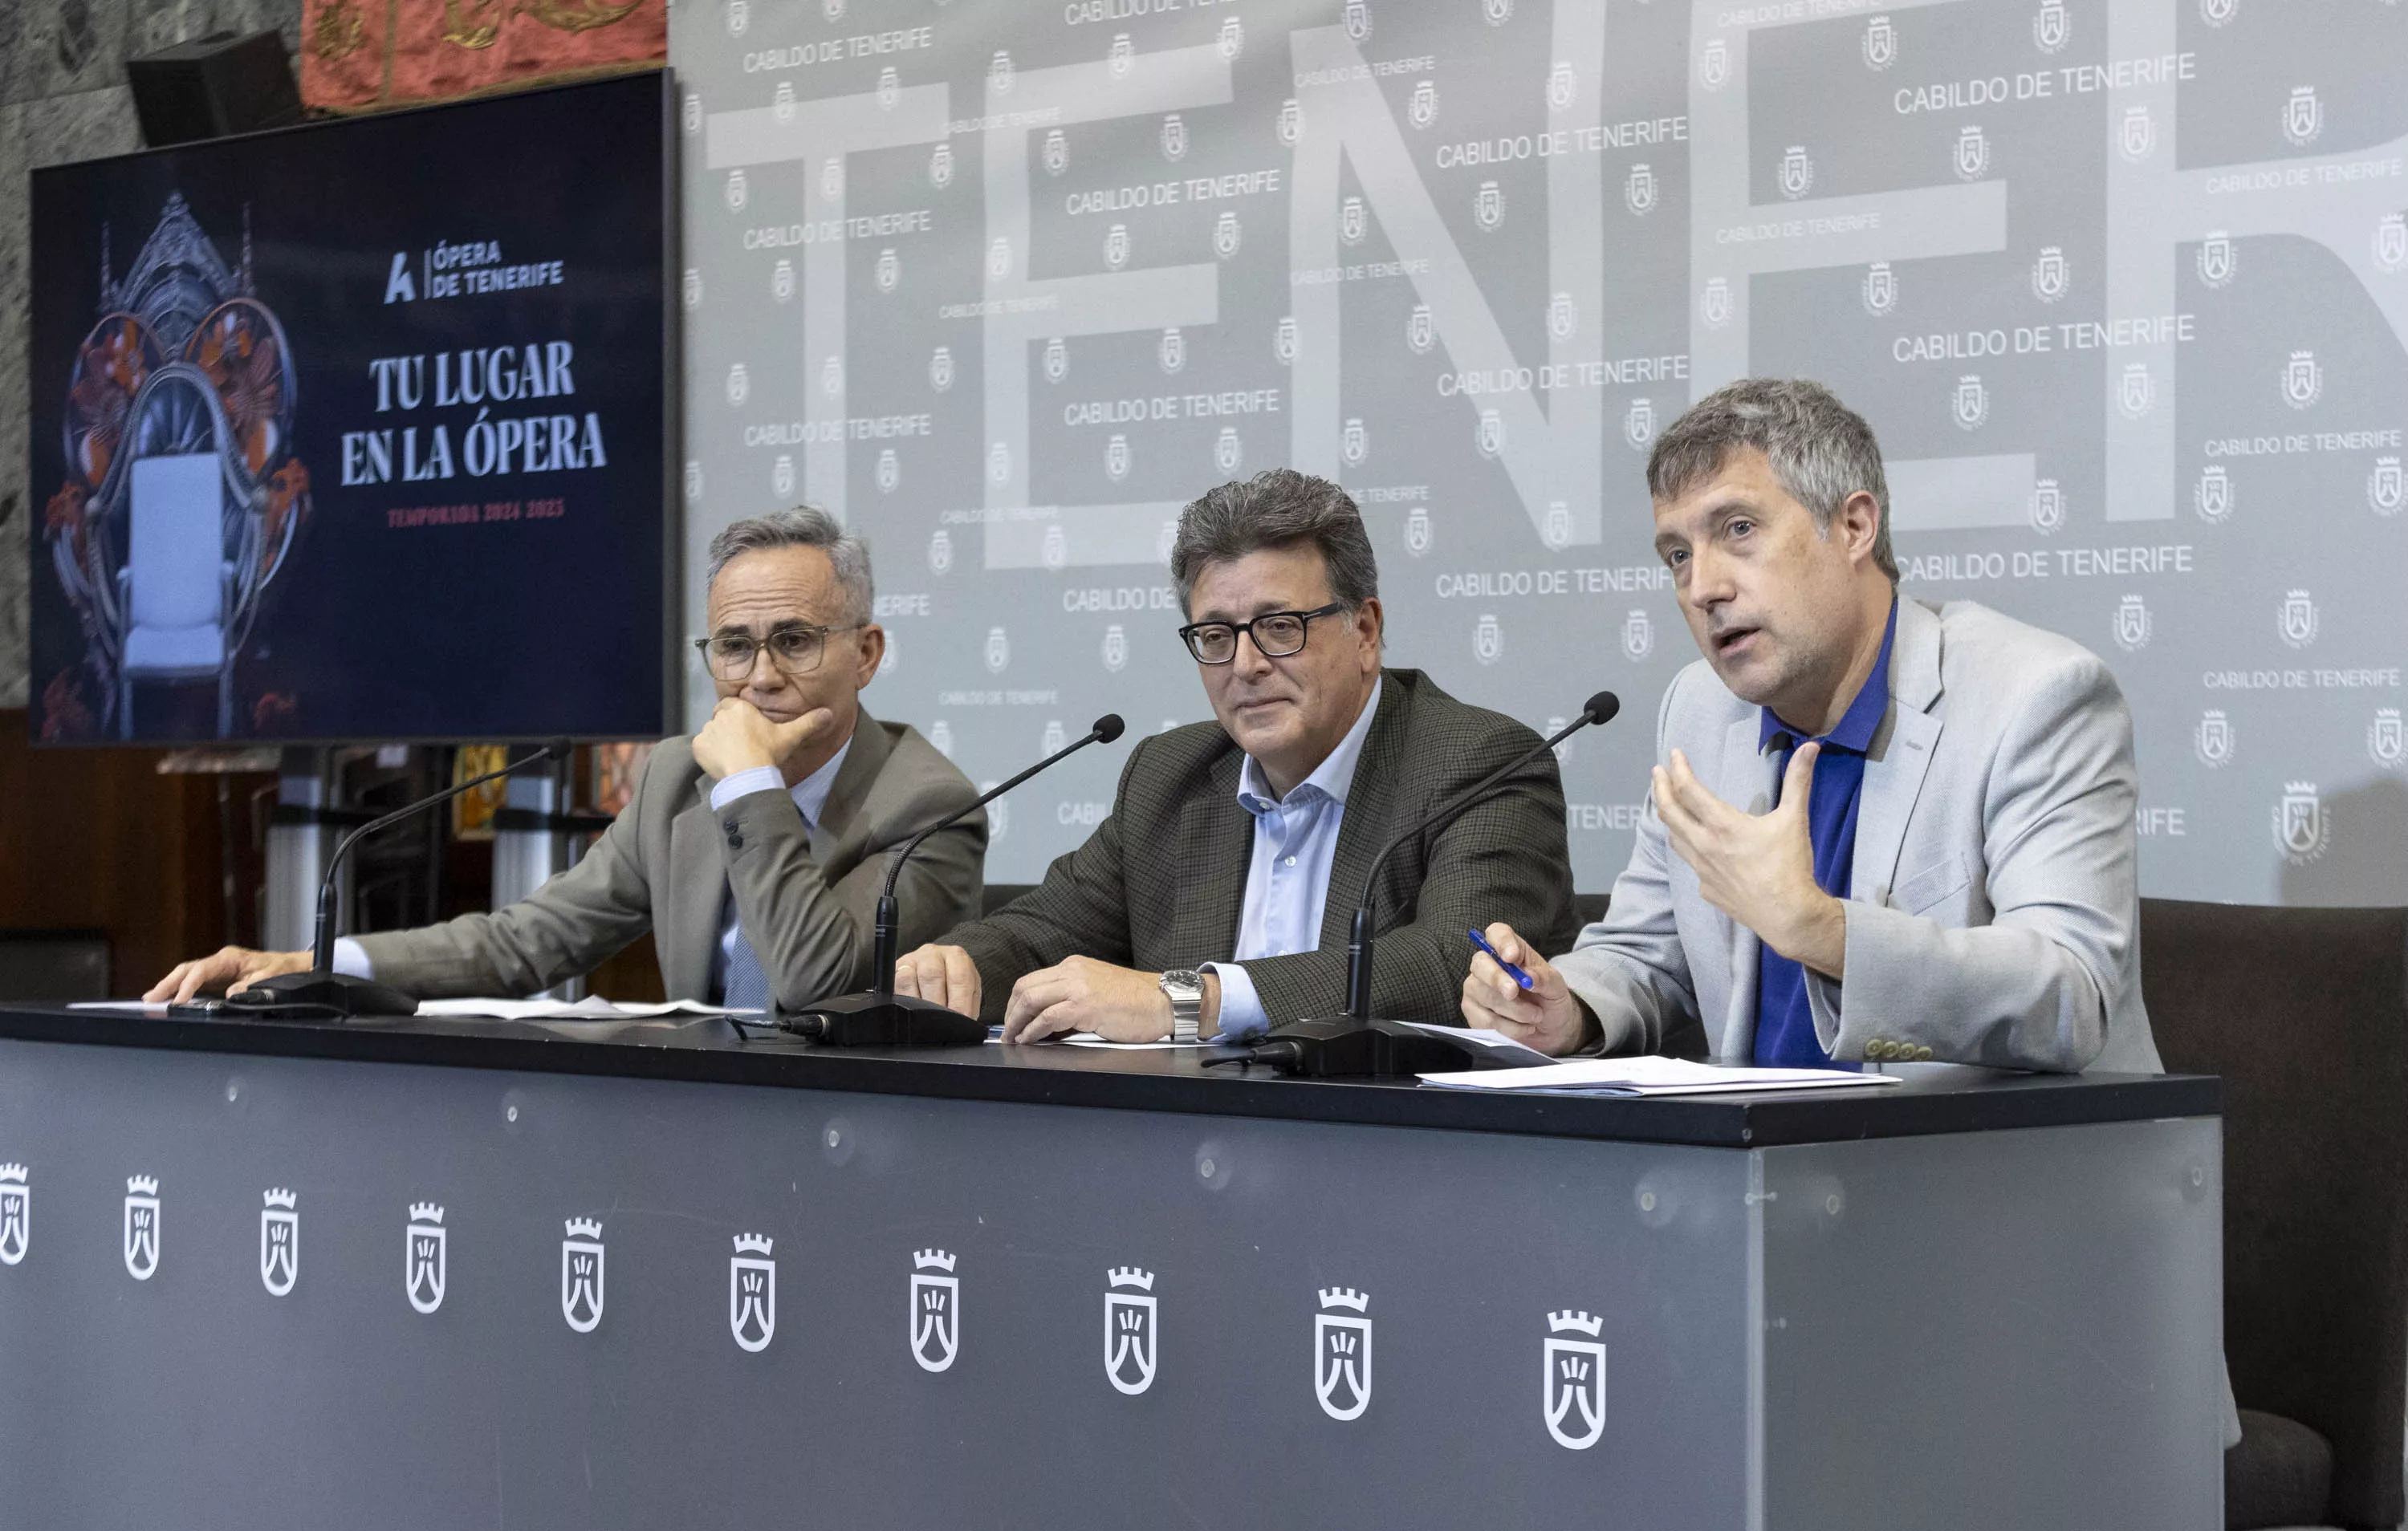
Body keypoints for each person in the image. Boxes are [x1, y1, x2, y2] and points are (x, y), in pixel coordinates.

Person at [1462, 378, 2162, 1074]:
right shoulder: (1701, 710)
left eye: (1739, 530)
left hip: (2001, 1171)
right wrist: (1571, 1006)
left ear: (1855, 527)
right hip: (1773, 1169)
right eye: (1678, 555)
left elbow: (2073, 996)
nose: (1703, 586)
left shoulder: (2033, 697)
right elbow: (1650, 953)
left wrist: (1824, 933)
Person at [148, 506, 984, 1011]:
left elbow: (816, 982)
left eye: (794, 641)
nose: (761, 677)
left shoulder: (927, 802)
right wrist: (311, 963)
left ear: (866, 653)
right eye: (734, 646)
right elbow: (526, 941)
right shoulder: (672, 780)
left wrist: (753, 783)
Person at [893, 468, 1577, 1043]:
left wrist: (1186, 1001)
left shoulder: (1479, 763)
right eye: (1216, 635)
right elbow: (1045, 932)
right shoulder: (1171, 776)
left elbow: (1456, 965)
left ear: (1364, 631)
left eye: (1280, 627)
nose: (1245, 665)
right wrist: (959, 967)